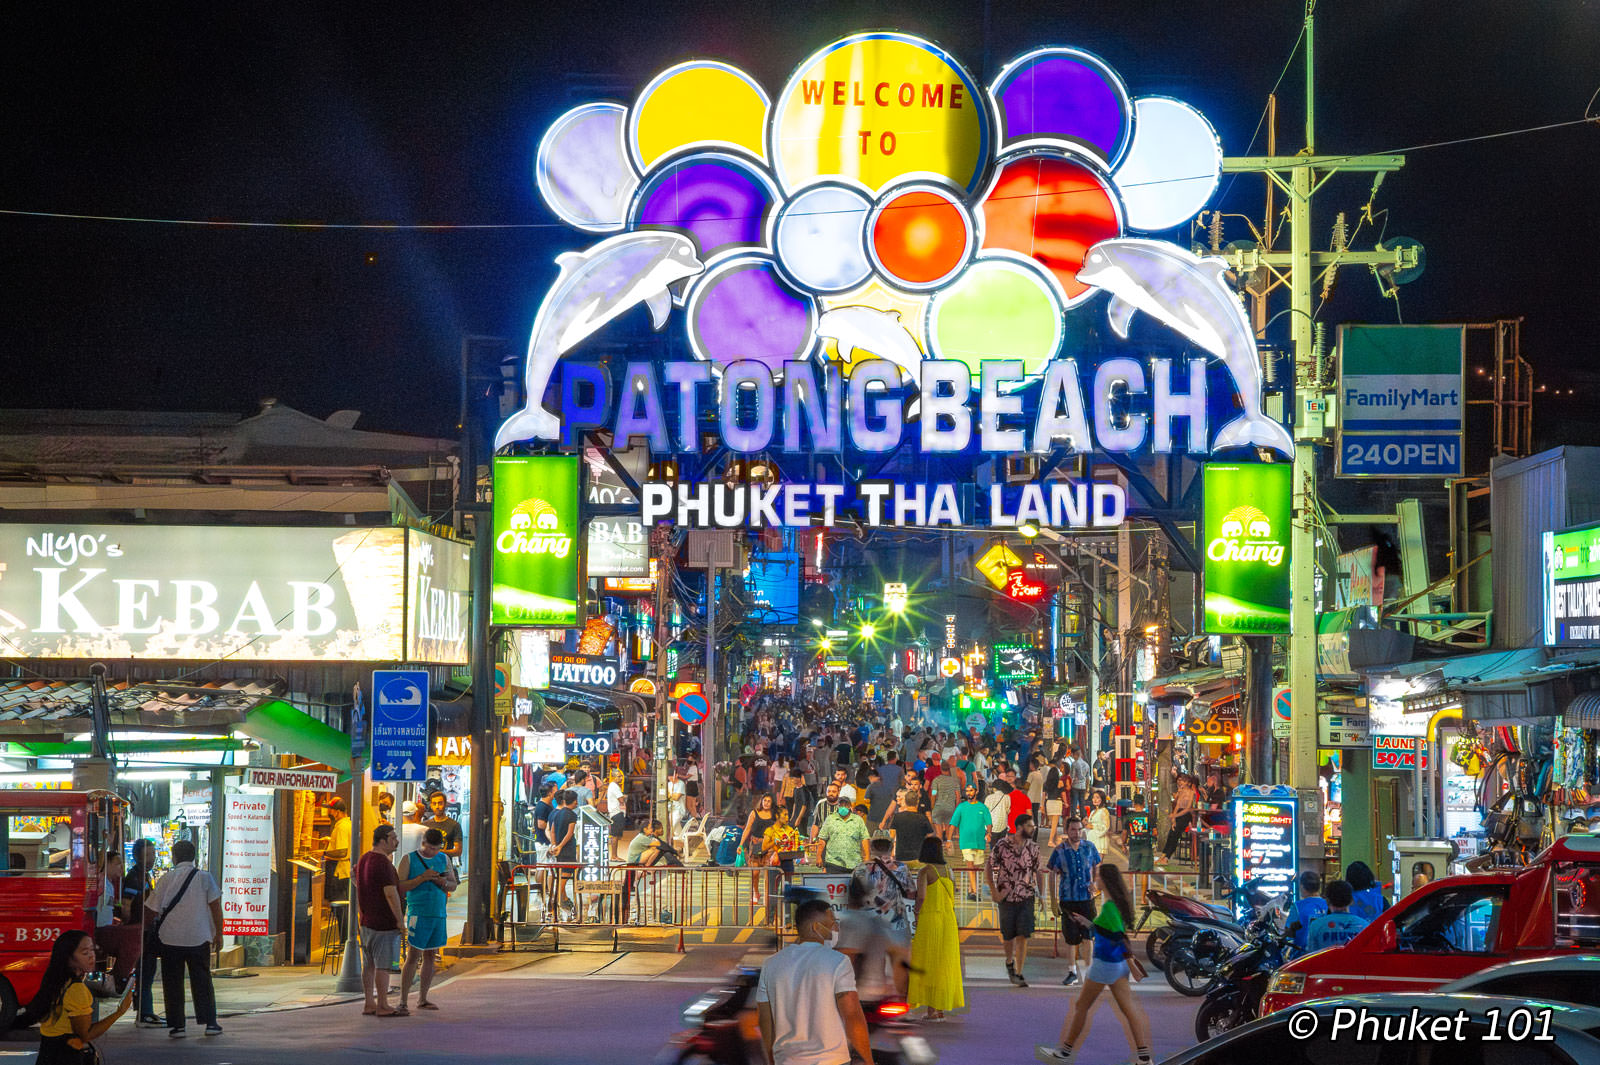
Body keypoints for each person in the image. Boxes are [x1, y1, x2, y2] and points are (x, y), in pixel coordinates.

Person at [1034, 862, 1153, 1065]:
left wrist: (1092, 927)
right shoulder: (1117, 903)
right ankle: (1144, 1057)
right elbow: (1109, 931)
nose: (1094, 881)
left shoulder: (1108, 907)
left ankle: (1064, 1052)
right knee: (1129, 1009)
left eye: (1096, 877)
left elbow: (1114, 935)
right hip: (1117, 965)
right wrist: (1087, 923)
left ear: (1104, 881)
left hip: (1104, 964)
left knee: (1082, 1006)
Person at [756, 898, 875, 1065]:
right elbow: (852, 1016)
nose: (836, 928)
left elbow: (765, 1020)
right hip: (832, 1060)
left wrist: (772, 1060)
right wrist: (868, 1061)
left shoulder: (770, 964)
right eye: (832, 923)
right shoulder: (838, 961)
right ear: (816, 927)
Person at [147, 838, 223, 1038]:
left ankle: (177, 1025)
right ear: (194, 857)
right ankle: (210, 1023)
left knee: (172, 982)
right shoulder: (205, 878)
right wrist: (219, 933)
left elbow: (151, 909)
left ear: (174, 857)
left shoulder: (166, 879)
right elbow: (216, 906)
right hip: (199, 937)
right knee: (202, 980)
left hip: (170, 938)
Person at [26, 930, 132, 1064]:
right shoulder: (76, 989)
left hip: (48, 1053)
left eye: (92, 950)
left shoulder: (56, 981)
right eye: (85, 953)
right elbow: (85, 1034)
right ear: (69, 958)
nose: (91, 956)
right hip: (66, 1057)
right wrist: (119, 1012)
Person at [396, 828, 454, 1012]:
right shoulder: (409, 859)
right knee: (413, 955)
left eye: (436, 849)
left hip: (438, 912)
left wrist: (441, 882)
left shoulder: (443, 859)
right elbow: (400, 886)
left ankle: (423, 998)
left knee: (430, 955)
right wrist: (422, 878)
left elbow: (452, 883)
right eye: (429, 848)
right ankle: (403, 1001)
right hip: (418, 913)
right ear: (423, 842)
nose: (432, 852)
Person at [908, 837, 964, 1021]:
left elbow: (922, 896)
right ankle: (940, 1007)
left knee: (929, 962)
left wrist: (916, 911)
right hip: (948, 919)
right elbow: (955, 891)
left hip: (930, 919)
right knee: (944, 963)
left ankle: (932, 1010)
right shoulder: (949, 869)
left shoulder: (925, 871)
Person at [986, 812, 1043, 987]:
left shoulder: (1033, 848)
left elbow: (1038, 871)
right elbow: (989, 867)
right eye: (1029, 826)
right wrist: (994, 891)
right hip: (1006, 896)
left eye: (1033, 826)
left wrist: (1042, 895)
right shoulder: (1003, 845)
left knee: (1023, 934)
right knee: (1008, 934)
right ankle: (1009, 961)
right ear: (1019, 827)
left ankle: (1019, 971)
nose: (1032, 829)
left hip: (1026, 896)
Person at [354, 824, 405, 1016]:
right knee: (383, 965)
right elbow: (390, 893)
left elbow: (358, 886)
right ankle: (383, 1004)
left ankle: (369, 1002)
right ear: (383, 840)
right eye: (393, 837)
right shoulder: (383, 863)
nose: (396, 841)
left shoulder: (364, 859)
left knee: (369, 965)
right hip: (384, 922)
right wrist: (400, 920)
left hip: (367, 922)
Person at [837, 878, 911, 1002]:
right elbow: (900, 953)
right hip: (880, 991)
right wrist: (901, 992)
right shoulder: (877, 921)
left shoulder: (850, 921)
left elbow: (848, 957)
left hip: (859, 994)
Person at [1048, 816, 1101, 987]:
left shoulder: (1090, 848)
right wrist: (1053, 899)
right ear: (1067, 830)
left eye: (1079, 829)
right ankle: (1072, 972)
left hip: (1086, 899)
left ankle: (1090, 971)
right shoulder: (1059, 850)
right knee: (1071, 939)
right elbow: (1052, 874)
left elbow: (1096, 866)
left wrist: (1095, 883)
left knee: (1088, 937)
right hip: (1068, 900)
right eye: (1073, 829)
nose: (1077, 833)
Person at [122, 838, 162, 1026]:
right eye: (148, 854)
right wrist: (130, 925)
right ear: (137, 856)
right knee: (145, 971)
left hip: (146, 930)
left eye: (153, 854)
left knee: (148, 970)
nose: (152, 858)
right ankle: (144, 1013)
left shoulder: (145, 875)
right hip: (140, 931)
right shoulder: (134, 877)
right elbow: (127, 905)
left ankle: (146, 1010)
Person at [853, 837, 917, 934]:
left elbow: (854, 895)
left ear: (872, 850)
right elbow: (911, 893)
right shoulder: (900, 868)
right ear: (890, 850)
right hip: (894, 920)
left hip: (868, 922)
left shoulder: (860, 868)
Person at [948, 784, 992, 900]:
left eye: (971, 790)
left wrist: (989, 833)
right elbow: (953, 823)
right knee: (970, 866)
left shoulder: (982, 807)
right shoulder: (961, 807)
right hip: (966, 841)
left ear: (976, 792)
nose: (969, 793)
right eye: (967, 791)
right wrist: (948, 839)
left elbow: (989, 823)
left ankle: (970, 890)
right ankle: (976, 892)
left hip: (979, 841)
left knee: (976, 868)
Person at [1306, 879, 1370, 951]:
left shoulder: (1316, 925)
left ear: (1327, 900)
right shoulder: (1365, 925)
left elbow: (1311, 956)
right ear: (1351, 901)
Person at [323, 797, 353, 940]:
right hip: (345, 871)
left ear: (337, 812)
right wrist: (330, 841)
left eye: (331, 809)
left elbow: (342, 851)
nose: (329, 811)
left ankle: (344, 942)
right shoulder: (347, 824)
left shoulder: (341, 826)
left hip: (339, 872)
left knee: (340, 909)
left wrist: (325, 853)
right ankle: (344, 942)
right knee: (342, 909)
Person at [546, 789, 580, 917]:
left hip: (558, 852)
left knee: (560, 880)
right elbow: (570, 833)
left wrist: (555, 845)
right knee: (561, 883)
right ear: (575, 801)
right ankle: (553, 906)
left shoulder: (556, 813)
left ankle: (563, 904)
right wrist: (560, 846)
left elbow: (552, 831)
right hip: (568, 851)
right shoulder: (572, 815)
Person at [1156, 775, 1197, 867]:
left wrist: (1175, 815)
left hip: (1186, 815)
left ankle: (1167, 857)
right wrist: (1173, 819)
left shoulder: (1191, 793)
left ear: (1189, 783)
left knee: (1175, 834)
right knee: (1171, 833)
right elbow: (1177, 806)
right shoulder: (1181, 792)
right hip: (1178, 814)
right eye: (1181, 781)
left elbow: (1188, 808)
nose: (1181, 782)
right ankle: (1163, 855)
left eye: (1183, 781)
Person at [1286, 870, 1329, 956]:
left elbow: (1289, 933)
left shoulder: (1297, 907)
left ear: (1302, 886)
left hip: (1302, 957)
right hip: (1325, 954)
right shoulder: (1329, 905)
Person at [886, 792, 935, 863]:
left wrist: (891, 853)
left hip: (901, 856)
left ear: (905, 801)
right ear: (917, 802)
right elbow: (930, 835)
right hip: (918, 856)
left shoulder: (897, 817)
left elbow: (891, 837)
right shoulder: (923, 818)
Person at [424, 790, 464, 861]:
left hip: (445, 866)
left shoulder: (454, 825)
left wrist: (440, 852)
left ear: (446, 804)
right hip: (427, 866)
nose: (437, 806)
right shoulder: (425, 825)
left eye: (440, 803)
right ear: (431, 805)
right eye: (434, 803)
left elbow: (458, 851)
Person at [1083, 790, 1113, 859]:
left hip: (1100, 841)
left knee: (1097, 865)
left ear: (1102, 799)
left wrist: (1093, 826)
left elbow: (1106, 826)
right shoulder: (1093, 811)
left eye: (1097, 797)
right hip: (1091, 840)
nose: (1095, 800)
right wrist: (1086, 824)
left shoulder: (1104, 811)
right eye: (1093, 797)